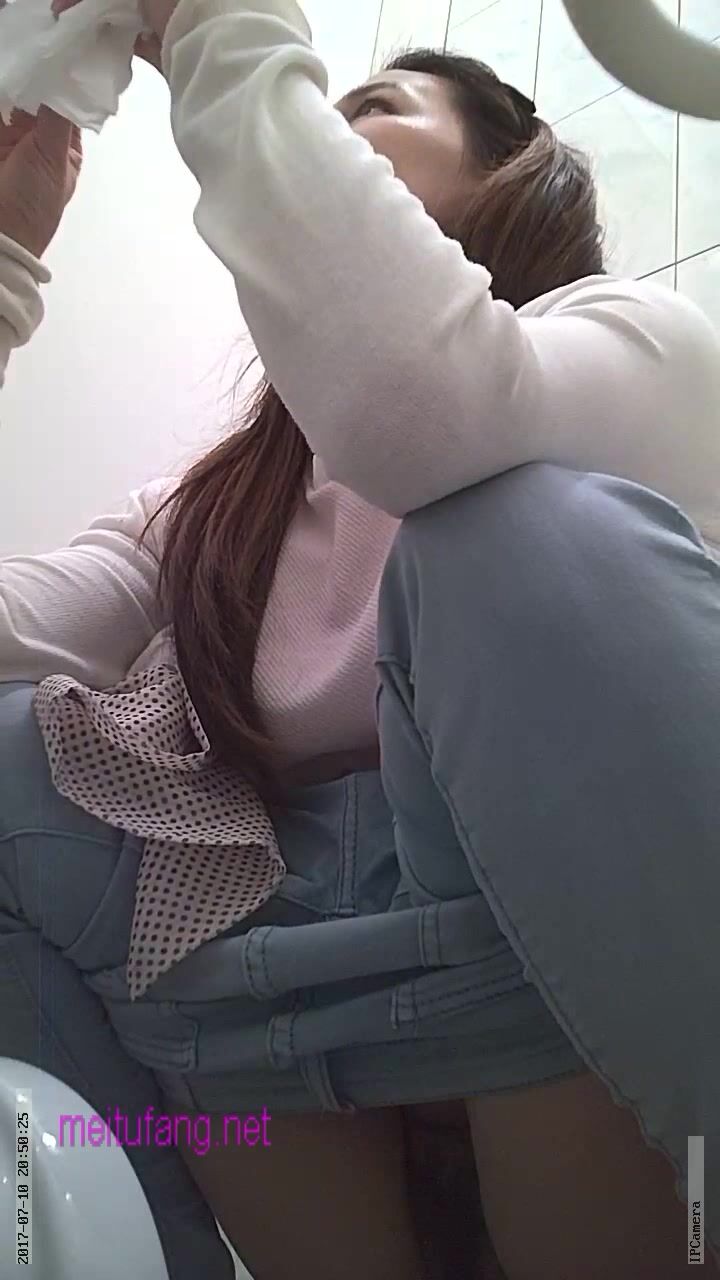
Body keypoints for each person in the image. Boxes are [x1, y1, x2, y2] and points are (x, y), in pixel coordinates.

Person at [1, 1, 719, 1277]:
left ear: (514, 164)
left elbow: (427, 408)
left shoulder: (639, 342)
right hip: (258, 1006)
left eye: (368, 112)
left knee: (511, 539)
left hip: (554, 974)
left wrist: (219, 23)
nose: (319, 139)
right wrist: (6, 261)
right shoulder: (211, 513)